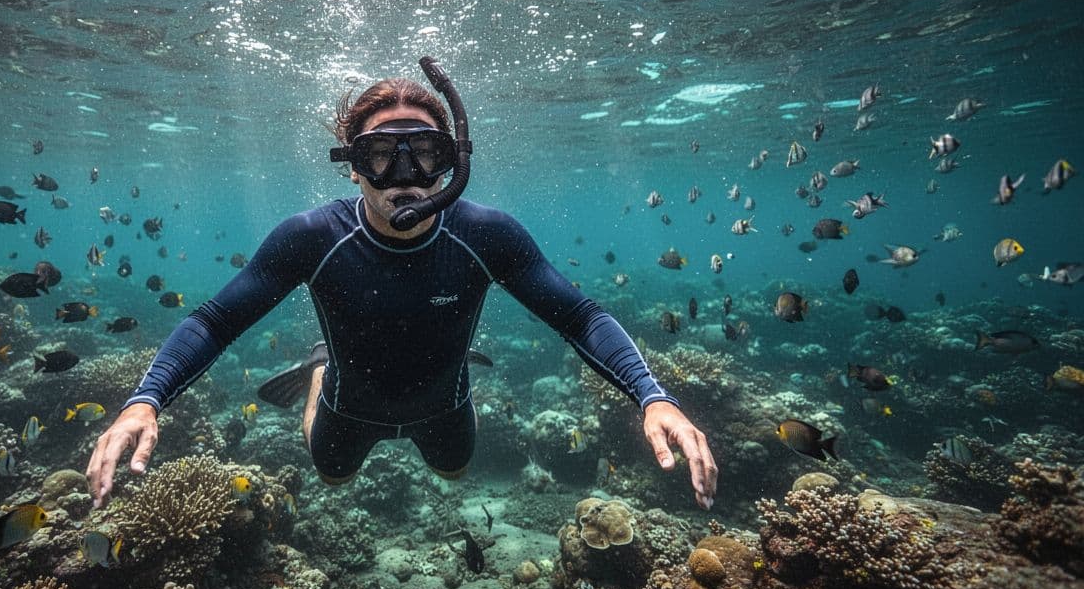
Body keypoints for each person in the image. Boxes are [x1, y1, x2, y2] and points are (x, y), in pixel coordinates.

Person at [87, 72, 718, 510]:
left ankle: (409, 369)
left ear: (450, 162)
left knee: (454, 471)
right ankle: (318, 370)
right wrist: (146, 400)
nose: (405, 178)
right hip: (347, 404)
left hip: (442, 405)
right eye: (382, 156)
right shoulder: (311, 237)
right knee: (332, 478)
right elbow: (214, 320)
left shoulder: (488, 234)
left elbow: (579, 317)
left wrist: (651, 396)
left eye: (424, 153)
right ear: (353, 165)